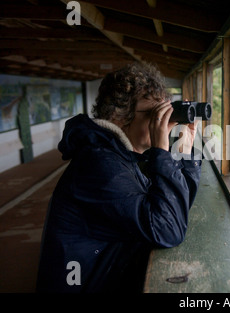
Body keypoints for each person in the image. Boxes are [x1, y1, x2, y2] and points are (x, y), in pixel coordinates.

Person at [36, 62, 202, 293]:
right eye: (155, 114)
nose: (163, 124)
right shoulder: (99, 165)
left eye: (165, 114)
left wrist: (183, 151)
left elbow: (175, 209)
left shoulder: (123, 156)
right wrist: (162, 153)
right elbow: (168, 230)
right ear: (118, 116)